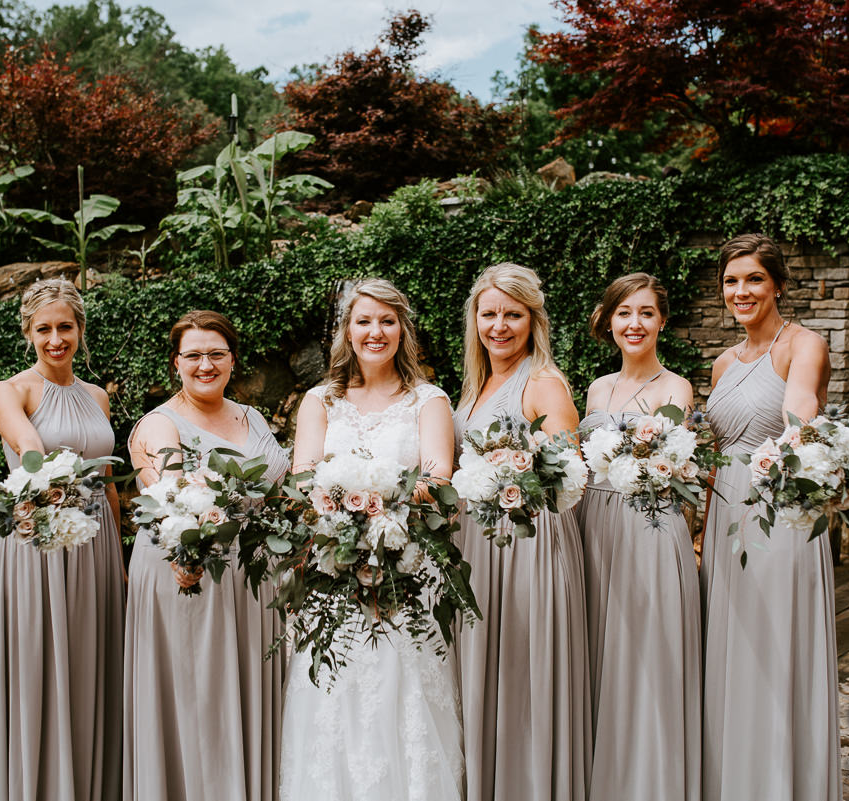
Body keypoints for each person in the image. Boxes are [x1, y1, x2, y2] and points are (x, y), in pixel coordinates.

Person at [278, 278, 462, 800]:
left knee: (401, 693)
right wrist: (345, 518)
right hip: (332, 570)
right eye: (364, 321)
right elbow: (302, 479)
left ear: (403, 329)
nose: (375, 331)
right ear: (347, 331)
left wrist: (378, 502)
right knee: (336, 694)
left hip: (405, 567)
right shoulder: (322, 400)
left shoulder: (429, 400)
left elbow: (437, 479)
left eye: (387, 320)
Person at [124, 310, 288, 801]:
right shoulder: (159, 425)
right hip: (191, 572)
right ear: (176, 362)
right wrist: (188, 547)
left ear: (233, 360)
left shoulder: (250, 416)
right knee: (201, 699)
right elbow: (169, 492)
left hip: (255, 575)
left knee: (246, 694)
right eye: (193, 355)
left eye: (216, 354)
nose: (205, 364)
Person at [700, 234, 839, 801]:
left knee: (772, 644)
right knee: (728, 649)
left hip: (777, 510)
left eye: (754, 279)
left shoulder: (803, 344)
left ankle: (781, 783)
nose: (742, 291)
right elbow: (711, 452)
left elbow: (800, 409)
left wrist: (791, 436)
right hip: (723, 514)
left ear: (778, 283)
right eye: (732, 281)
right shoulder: (722, 363)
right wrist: (698, 531)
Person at [451, 263, 590, 801]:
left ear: (534, 320)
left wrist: (509, 472)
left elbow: (569, 471)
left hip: (528, 547)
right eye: (490, 314)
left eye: (514, 314)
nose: (500, 326)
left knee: (523, 671)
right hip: (478, 546)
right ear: (475, 320)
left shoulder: (543, 383)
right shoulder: (478, 384)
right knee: (485, 671)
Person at [0, 278, 124, 801]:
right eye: (43, 329)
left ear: (80, 329)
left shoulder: (97, 395)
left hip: (99, 541)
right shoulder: (11, 390)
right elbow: (26, 447)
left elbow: (108, 480)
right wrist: (41, 470)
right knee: (43, 657)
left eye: (65, 327)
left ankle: (93, 779)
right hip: (40, 536)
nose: (55, 339)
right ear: (28, 333)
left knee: (93, 656)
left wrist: (122, 556)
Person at [577, 272, 701, 801]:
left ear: (662, 322)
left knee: (648, 651)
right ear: (608, 321)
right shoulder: (596, 388)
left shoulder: (676, 388)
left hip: (649, 524)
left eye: (646, 313)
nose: (635, 323)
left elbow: (681, 469)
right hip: (595, 526)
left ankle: (650, 782)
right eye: (625, 312)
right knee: (599, 654)